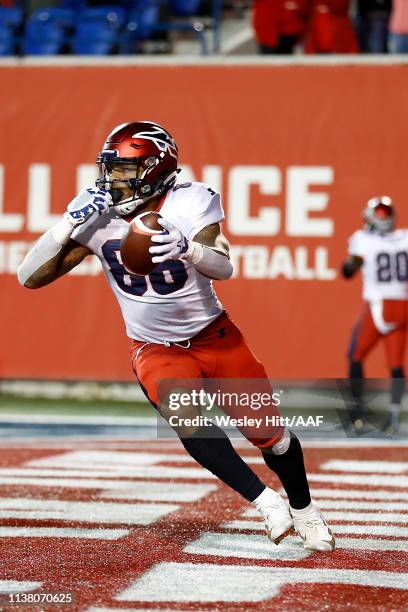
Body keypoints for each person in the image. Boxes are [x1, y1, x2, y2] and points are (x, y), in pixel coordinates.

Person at [18, 121, 334, 552]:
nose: (113, 179)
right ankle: (266, 504)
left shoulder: (191, 201)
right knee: (190, 424)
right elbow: (29, 278)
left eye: (126, 170)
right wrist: (65, 226)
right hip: (155, 348)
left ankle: (305, 508)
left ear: (155, 168)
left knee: (271, 437)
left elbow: (225, 265)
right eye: (111, 169)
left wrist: (189, 249)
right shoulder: (96, 214)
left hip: (215, 337)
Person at [342, 196, 406, 435]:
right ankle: (394, 416)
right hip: (403, 305)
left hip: (380, 306)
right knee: (396, 364)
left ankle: (357, 413)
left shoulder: (363, 240)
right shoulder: (405, 238)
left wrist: (351, 262)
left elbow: (348, 270)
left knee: (356, 355)